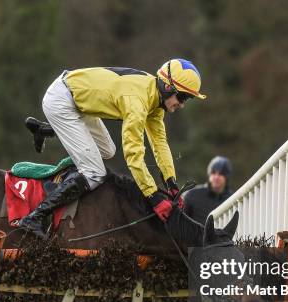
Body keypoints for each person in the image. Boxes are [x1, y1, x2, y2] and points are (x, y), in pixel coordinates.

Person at [19, 59, 206, 238]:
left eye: (186, 99)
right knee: (95, 172)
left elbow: (160, 144)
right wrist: (154, 197)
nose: (181, 104)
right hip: (62, 102)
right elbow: (133, 155)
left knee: (108, 151)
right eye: (181, 97)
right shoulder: (137, 101)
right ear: (167, 87)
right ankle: (34, 217)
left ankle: (46, 129)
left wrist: (171, 183)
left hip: (77, 101)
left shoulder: (155, 99)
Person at [183, 156, 233, 223]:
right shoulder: (192, 196)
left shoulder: (233, 199)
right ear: (209, 174)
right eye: (213, 173)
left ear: (227, 177)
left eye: (221, 174)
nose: (216, 177)